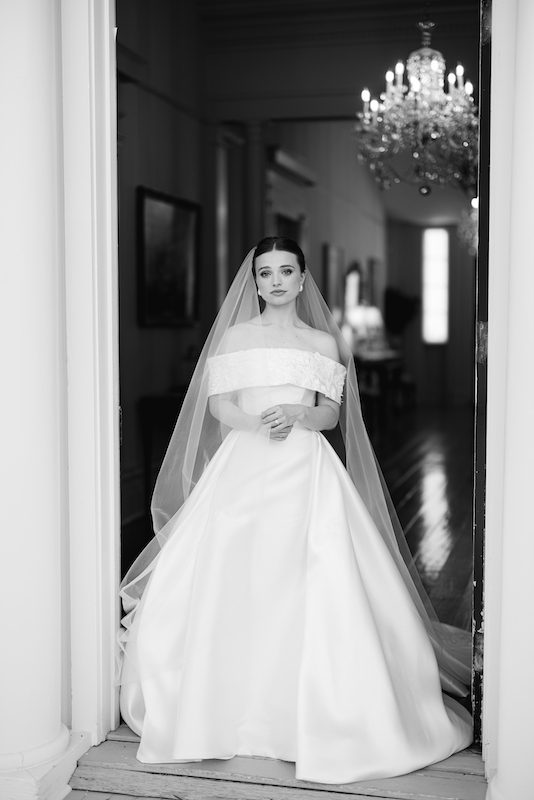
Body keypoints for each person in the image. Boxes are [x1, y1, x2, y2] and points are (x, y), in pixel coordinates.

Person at [118, 237, 472, 784]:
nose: (276, 281)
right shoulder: (235, 337)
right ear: (254, 282)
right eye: (265, 273)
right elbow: (218, 405)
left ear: (303, 279)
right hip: (245, 463)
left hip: (304, 467)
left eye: (286, 271)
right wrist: (258, 421)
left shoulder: (323, 343)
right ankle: (226, 705)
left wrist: (297, 415)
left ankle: (320, 714)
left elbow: (331, 414)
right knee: (238, 575)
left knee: (316, 576)